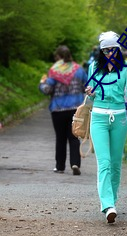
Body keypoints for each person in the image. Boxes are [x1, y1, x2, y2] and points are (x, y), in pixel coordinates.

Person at [85, 31, 127, 223]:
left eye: (112, 50)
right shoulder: (94, 67)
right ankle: (107, 204)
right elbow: (91, 93)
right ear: (101, 51)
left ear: (118, 49)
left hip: (120, 119)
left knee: (116, 164)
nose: (109, 54)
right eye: (105, 51)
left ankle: (112, 201)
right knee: (104, 163)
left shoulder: (126, 68)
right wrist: (89, 92)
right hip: (98, 118)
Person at [39, 45, 87, 175]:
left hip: (58, 109)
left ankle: (60, 167)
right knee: (74, 136)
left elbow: (47, 90)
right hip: (75, 109)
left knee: (60, 138)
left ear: (58, 57)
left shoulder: (54, 71)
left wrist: (42, 83)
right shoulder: (79, 70)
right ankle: (75, 163)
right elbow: (87, 86)